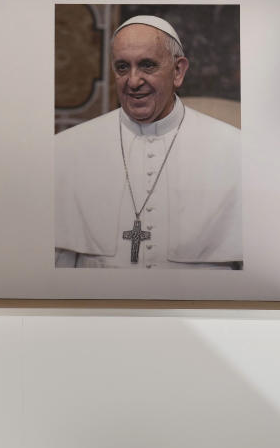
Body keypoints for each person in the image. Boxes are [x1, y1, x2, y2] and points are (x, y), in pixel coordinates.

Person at [54, 14, 242, 269]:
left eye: (147, 65)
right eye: (122, 67)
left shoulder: (235, 150)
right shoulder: (67, 150)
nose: (133, 81)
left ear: (178, 71)